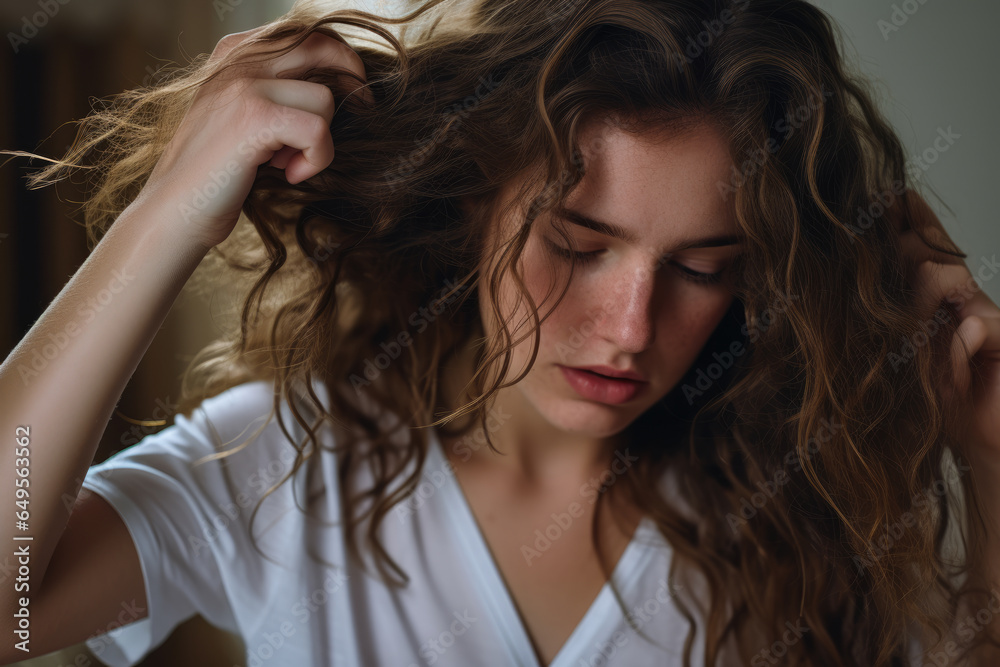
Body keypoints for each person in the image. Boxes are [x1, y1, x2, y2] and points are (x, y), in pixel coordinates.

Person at [2, 0, 1000, 664]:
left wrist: (990, 461)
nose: (626, 328)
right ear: (474, 202)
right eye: (574, 242)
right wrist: (170, 210)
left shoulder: (804, 506)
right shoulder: (281, 463)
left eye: (701, 269)